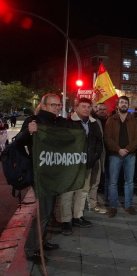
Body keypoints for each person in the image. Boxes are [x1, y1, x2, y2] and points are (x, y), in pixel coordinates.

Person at [15, 93, 67, 263]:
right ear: (44, 106)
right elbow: (17, 142)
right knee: (43, 212)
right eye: (53, 105)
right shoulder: (34, 120)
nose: (57, 108)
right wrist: (28, 133)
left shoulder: (58, 122)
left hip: (54, 173)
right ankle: (31, 249)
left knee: (50, 210)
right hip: (40, 174)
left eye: (59, 105)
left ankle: (42, 242)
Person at [56, 97, 103, 235]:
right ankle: (66, 221)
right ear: (76, 108)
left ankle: (78, 216)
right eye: (83, 106)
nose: (86, 109)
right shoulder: (67, 123)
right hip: (70, 166)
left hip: (87, 165)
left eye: (89, 107)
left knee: (83, 191)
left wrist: (94, 158)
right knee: (67, 193)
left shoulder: (94, 124)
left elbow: (99, 143)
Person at [104, 96, 137, 217]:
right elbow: (107, 138)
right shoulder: (111, 120)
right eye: (122, 102)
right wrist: (118, 149)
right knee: (113, 182)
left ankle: (129, 205)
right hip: (115, 155)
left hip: (130, 155)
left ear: (128, 105)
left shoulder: (134, 121)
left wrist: (127, 149)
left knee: (129, 182)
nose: (124, 104)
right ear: (118, 105)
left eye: (126, 102)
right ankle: (113, 207)